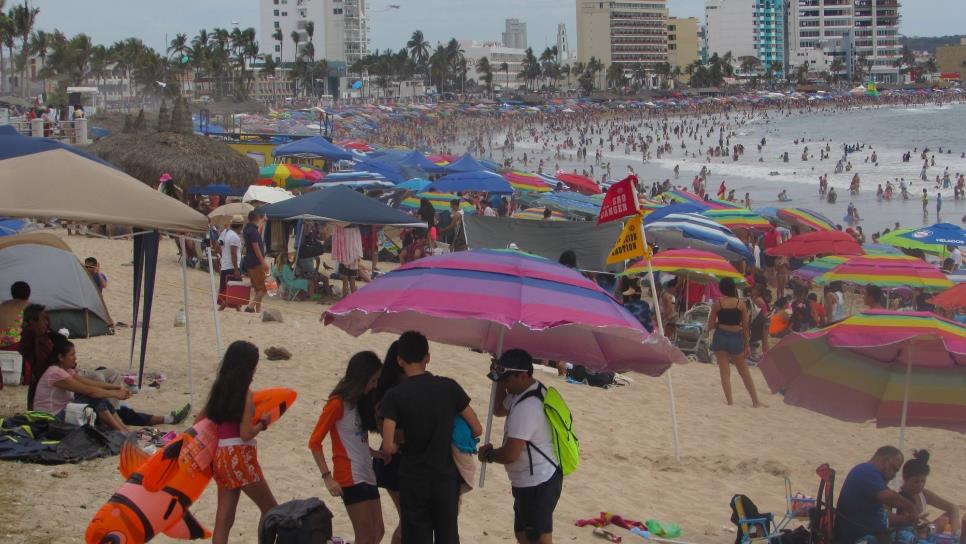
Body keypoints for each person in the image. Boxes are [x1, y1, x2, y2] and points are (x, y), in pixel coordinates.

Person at [380, 331, 483, 543]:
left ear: (400, 360)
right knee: (448, 536)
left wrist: (405, 439)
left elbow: (388, 446)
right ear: (428, 357)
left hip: (413, 479)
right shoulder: (449, 387)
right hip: (445, 479)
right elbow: (477, 428)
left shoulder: (395, 396)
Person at [479, 350, 563, 544]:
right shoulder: (526, 389)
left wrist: (489, 455)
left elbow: (511, 454)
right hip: (530, 480)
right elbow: (499, 409)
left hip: (538, 482)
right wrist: (499, 375)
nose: (504, 384)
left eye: (507, 379)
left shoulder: (528, 407)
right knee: (523, 535)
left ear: (523, 375)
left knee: (538, 539)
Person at [198, 341, 279, 544]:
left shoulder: (219, 389)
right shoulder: (245, 394)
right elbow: (245, 433)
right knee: (270, 510)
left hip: (221, 457)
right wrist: (263, 422)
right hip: (241, 457)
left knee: (223, 520)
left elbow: (198, 421)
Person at [309, 351, 385, 544]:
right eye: (373, 380)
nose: (375, 385)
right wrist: (327, 477)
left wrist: (375, 453)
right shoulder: (337, 404)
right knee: (366, 534)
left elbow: (355, 438)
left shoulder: (360, 402)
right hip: (349, 474)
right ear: (362, 378)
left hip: (366, 471)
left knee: (378, 532)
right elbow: (315, 442)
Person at [34, 340, 190, 433]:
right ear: (60, 357)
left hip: (64, 411)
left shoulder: (66, 369)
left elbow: (89, 383)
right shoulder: (55, 373)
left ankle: (163, 419)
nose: (75, 358)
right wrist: (115, 394)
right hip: (51, 417)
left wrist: (115, 389)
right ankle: (123, 431)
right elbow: (88, 390)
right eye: (72, 355)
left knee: (108, 404)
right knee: (98, 401)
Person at [835, 446, 918, 544]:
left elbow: (882, 515)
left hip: (871, 533)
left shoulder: (874, 477)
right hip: (860, 538)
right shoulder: (867, 470)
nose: (894, 475)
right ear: (885, 461)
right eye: (894, 469)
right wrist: (911, 507)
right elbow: (889, 497)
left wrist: (907, 520)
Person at [709, 277, 762, 407]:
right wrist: (747, 345)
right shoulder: (741, 304)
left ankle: (730, 402)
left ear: (721, 288)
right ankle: (755, 401)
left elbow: (710, 325)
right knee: (744, 371)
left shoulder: (718, 304)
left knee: (724, 372)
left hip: (720, 337)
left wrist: (720, 325)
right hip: (736, 337)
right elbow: (745, 327)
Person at [373, 342, 405, 544]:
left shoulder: (385, 388)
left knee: (407, 520)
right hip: (395, 460)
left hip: (389, 461)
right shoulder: (397, 391)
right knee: (408, 522)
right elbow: (395, 436)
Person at [893, 450, 964, 539]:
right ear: (905, 478)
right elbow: (912, 524)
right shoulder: (899, 496)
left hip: (926, 529)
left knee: (947, 518)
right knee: (942, 522)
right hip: (910, 534)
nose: (920, 485)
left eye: (923, 481)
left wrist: (955, 533)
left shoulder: (924, 494)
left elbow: (952, 507)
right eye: (916, 481)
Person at [242, 210, 269, 313]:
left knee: (258, 288)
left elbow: (257, 234)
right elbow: (256, 247)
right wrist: (263, 262)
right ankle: (251, 306)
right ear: (256, 218)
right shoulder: (252, 231)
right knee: (264, 288)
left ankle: (258, 309)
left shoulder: (248, 229)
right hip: (256, 263)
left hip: (250, 262)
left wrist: (262, 221)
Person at [217, 216, 244, 311]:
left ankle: (237, 308)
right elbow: (233, 253)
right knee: (233, 290)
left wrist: (221, 256)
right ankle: (222, 309)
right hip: (232, 266)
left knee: (228, 289)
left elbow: (218, 244)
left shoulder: (226, 232)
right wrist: (236, 269)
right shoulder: (234, 237)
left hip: (225, 265)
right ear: (240, 226)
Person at [332, 224, 364, 296]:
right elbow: (358, 247)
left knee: (345, 281)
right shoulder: (356, 232)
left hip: (344, 258)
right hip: (353, 259)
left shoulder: (340, 232)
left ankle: (345, 299)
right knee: (352, 281)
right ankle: (352, 300)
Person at [0, 281, 30, 349]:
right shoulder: (28, 307)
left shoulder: (2, 305)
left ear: (12, 293)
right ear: (28, 293)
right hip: (15, 344)